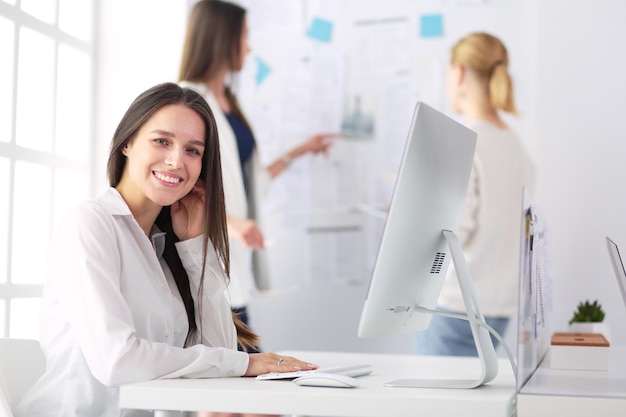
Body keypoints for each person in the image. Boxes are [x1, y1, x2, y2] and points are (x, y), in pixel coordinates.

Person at [14, 82, 317, 417]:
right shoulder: (91, 225)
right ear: (127, 143)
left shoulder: (164, 248)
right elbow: (117, 361)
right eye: (162, 141)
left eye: (193, 150)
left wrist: (195, 246)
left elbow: (219, 351)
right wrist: (244, 363)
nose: (176, 161)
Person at [178, 0, 336, 351]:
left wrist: (301, 149)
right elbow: (179, 184)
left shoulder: (230, 102)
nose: (249, 47)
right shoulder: (188, 101)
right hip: (208, 257)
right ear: (223, 37)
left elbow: (251, 178)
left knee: (241, 371)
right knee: (236, 378)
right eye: (245, 36)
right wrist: (232, 223)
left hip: (237, 266)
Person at [415, 32, 535, 356]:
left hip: (454, 307)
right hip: (498, 307)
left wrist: (415, 220)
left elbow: (454, 230)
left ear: (459, 73)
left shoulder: (466, 141)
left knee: (441, 407)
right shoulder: (516, 146)